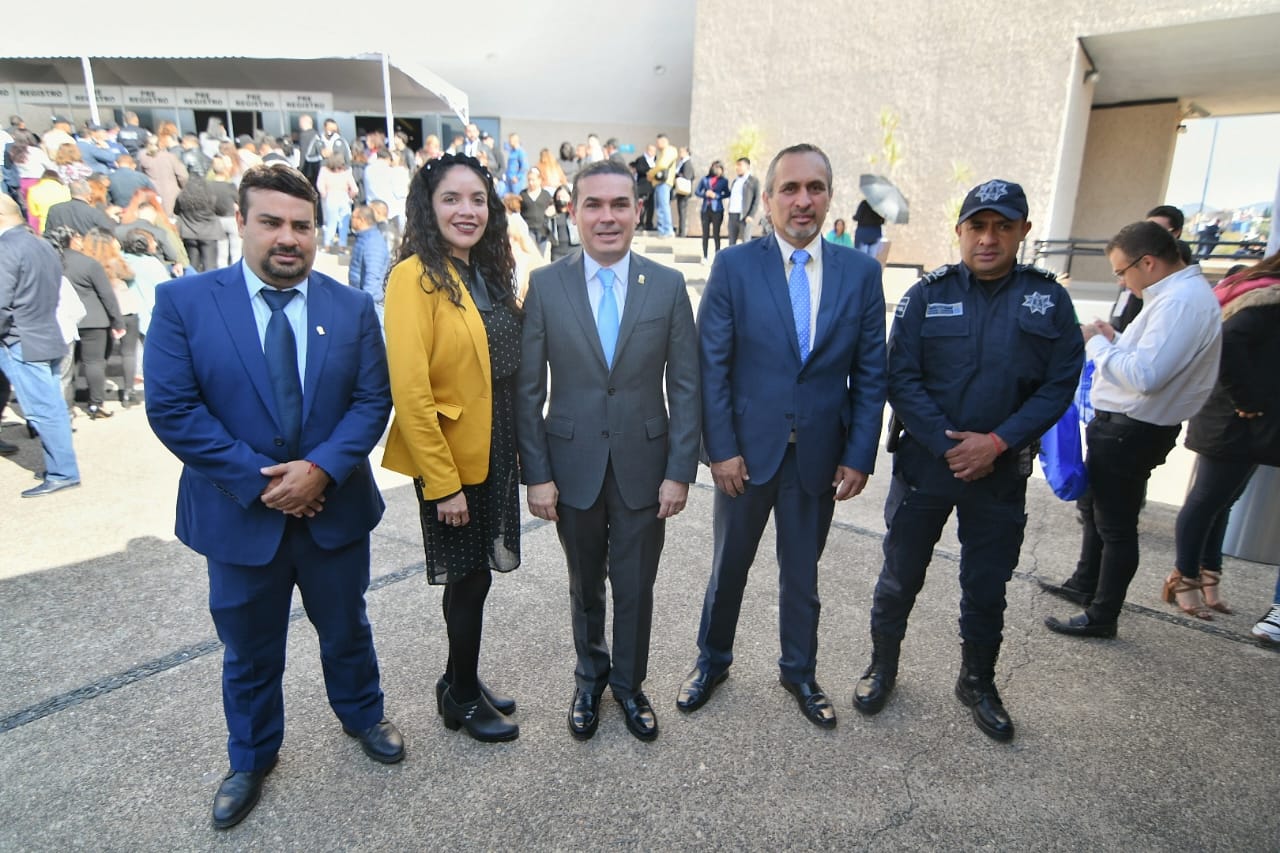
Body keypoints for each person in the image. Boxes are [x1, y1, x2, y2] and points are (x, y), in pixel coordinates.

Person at [143, 165, 402, 830]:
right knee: (250, 649)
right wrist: (268, 484)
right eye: (272, 222)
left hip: (333, 510)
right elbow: (174, 410)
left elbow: (372, 400)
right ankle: (251, 757)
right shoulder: (184, 303)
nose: (288, 237)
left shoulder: (350, 307)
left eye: (301, 225)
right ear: (241, 222)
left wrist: (320, 470)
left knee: (347, 628)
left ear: (316, 231)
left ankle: (363, 716)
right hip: (238, 517)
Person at [854, 179, 1082, 741]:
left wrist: (997, 443)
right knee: (899, 577)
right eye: (977, 226)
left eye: (1003, 227)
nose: (988, 238)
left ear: (1023, 232)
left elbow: (1059, 385)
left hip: (1000, 473)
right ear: (959, 231)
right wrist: (950, 445)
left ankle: (977, 681)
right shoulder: (925, 295)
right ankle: (882, 667)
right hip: (926, 466)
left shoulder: (1048, 300)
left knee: (987, 586)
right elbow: (900, 377)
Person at [678, 143, 886, 730]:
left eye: (814, 188)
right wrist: (721, 450)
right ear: (767, 199)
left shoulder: (861, 274)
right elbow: (711, 366)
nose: (802, 200)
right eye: (789, 189)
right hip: (745, 457)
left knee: (803, 576)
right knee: (728, 570)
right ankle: (712, 662)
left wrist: (859, 454)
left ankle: (800, 672)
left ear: (829, 197)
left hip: (818, 456)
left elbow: (872, 373)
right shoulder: (734, 267)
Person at [516, 158, 700, 742]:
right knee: (585, 583)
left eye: (620, 204)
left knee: (636, 585)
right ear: (573, 212)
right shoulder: (547, 285)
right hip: (572, 468)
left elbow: (686, 386)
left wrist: (680, 471)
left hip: (646, 467)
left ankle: (629, 685)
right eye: (593, 204)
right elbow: (528, 390)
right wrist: (536, 474)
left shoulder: (667, 286)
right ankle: (589, 679)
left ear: (638, 211)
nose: (607, 217)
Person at [381, 153, 524, 743]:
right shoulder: (413, 277)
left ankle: (456, 680)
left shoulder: (484, 273)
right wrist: (443, 484)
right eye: (451, 199)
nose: (467, 211)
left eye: (477, 200)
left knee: (478, 577)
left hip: (496, 448)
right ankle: (462, 698)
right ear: (428, 207)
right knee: (466, 579)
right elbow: (411, 392)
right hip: (453, 461)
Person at [1042, 221, 1221, 639]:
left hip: (1132, 430)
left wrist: (1095, 342)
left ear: (1149, 262)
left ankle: (1102, 614)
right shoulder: (1178, 297)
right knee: (1097, 513)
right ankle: (1086, 584)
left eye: (1122, 271)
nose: (1122, 281)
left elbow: (1145, 376)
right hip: (1128, 426)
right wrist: (1115, 338)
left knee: (1116, 527)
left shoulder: (1180, 302)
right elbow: (1153, 359)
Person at [1167, 252, 1280, 619]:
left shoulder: (1261, 291)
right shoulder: (1268, 298)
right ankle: (1184, 579)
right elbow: (1227, 344)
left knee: (1222, 501)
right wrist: (1248, 400)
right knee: (1207, 501)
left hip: (1245, 419)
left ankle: (1208, 576)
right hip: (1233, 419)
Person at [0, 195, 81, 496]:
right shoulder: (42, 244)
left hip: (20, 338)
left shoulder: (7, 248)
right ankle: (62, 468)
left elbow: (1, 301)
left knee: (44, 409)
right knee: (52, 406)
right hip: (46, 330)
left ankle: (62, 472)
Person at [62, 230, 125, 419]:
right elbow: (106, 294)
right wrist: (117, 320)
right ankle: (96, 404)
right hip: (94, 319)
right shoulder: (89, 263)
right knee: (94, 362)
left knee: (69, 365)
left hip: (65, 319)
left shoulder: (54, 262)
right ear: (73, 240)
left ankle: (67, 406)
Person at [347, 205, 390, 329]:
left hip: (371, 305)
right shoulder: (363, 238)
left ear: (362, 220)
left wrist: (365, 304)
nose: (350, 220)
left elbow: (373, 276)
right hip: (360, 299)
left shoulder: (373, 243)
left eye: (353, 217)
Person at [174, 175, 223, 273]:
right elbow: (219, 210)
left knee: (192, 265)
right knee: (210, 266)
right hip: (209, 233)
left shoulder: (182, 197)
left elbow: (176, 211)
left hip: (188, 233)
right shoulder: (210, 197)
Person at [317, 154, 358, 253]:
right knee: (344, 224)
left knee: (331, 222)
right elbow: (355, 189)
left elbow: (320, 184)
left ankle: (327, 245)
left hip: (331, 196)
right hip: (344, 197)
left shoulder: (324, 170)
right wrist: (350, 196)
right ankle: (342, 247)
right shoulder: (346, 172)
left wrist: (324, 194)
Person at [695, 160, 730, 264]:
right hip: (706, 209)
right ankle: (705, 256)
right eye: (715, 168)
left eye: (719, 168)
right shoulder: (705, 179)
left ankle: (717, 255)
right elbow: (697, 191)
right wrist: (705, 194)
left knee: (716, 233)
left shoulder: (724, 181)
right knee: (705, 233)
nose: (717, 170)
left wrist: (717, 196)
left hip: (717, 209)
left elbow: (727, 193)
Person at [519, 166, 554, 258]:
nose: (531, 183)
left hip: (542, 230)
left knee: (541, 256)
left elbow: (553, 207)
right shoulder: (523, 194)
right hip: (528, 229)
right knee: (531, 255)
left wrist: (551, 211)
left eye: (533, 180)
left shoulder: (546, 195)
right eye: (529, 180)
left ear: (539, 180)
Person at [648, 134, 677, 238]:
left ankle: (666, 230)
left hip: (664, 183)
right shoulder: (663, 152)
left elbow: (662, 165)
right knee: (660, 207)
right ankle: (663, 230)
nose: (657, 144)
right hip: (659, 183)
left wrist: (650, 173)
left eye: (658, 142)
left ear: (663, 141)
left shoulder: (669, 151)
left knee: (663, 207)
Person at [726, 157, 760, 245]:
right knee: (731, 242)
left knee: (746, 242)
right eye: (736, 165)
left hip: (744, 216)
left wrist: (751, 215)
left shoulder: (753, 181)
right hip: (733, 214)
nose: (737, 168)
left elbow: (756, 199)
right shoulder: (735, 181)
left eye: (740, 165)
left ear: (747, 167)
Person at [546, 186, 578, 263]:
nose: (560, 199)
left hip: (574, 249)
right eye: (558, 197)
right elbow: (545, 232)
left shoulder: (575, 212)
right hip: (557, 251)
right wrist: (547, 217)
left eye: (563, 197)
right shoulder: (552, 214)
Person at [673, 146, 694, 238]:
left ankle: (682, 232)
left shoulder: (687, 163)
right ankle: (680, 230)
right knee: (680, 211)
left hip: (684, 191)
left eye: (682, 152)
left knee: (682, 211)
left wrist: (677, 175)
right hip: (680, 191)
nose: (680, 153)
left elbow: (687, 176)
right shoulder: (682, 162)